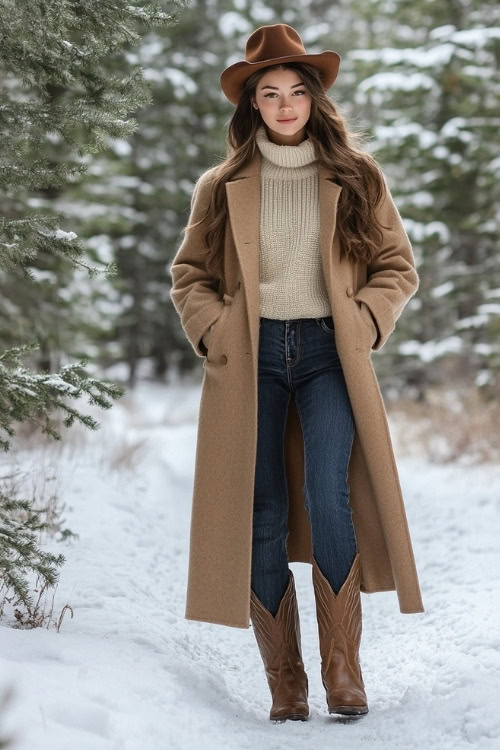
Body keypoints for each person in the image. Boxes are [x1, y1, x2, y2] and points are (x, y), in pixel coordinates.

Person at [170, 23, 424, 724]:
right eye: (269, 94)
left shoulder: (356, 175)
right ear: (252, 105)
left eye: (295, 92)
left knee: (327, 493)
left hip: (326, 356)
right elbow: (189, 274)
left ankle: (344, 668)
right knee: (262, 513)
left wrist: (367, 321)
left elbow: (397, 267)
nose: (284, 105)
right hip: (250, 357)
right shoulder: (220, 186)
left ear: (314, 99)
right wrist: (215, 328)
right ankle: (287, 680)